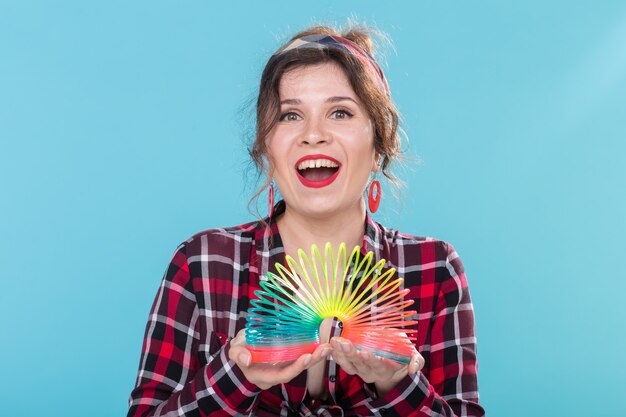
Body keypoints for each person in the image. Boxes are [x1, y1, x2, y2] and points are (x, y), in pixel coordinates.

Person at [127, 25, 485, 417]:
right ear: (266, 147)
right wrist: (235, 375)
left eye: (340, 112)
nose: (313, 135)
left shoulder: (434, 269)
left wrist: (398, 383)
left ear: (380, 143)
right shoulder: (201, 264)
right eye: (290, 115)